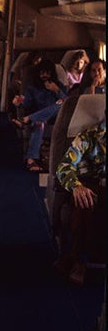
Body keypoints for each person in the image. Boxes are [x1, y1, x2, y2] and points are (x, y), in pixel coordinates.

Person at [55, 117, 106, 286]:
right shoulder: (88, 137)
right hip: (89, 185)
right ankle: (78, 260)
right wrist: (76, 186)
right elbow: (65, 166)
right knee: (85, 199)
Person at [12, 59, 67, 172]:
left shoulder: (58, 86)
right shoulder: (33, 87)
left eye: (47, 73)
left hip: (58, 117)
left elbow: (68, 104)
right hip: (40, 117)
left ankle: (26, 120)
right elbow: (27, 104)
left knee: (61, 103)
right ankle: (31, 160)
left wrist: (56, 90)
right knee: (39, 123)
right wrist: (19, 101)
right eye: (42, 73)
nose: (45, 75)